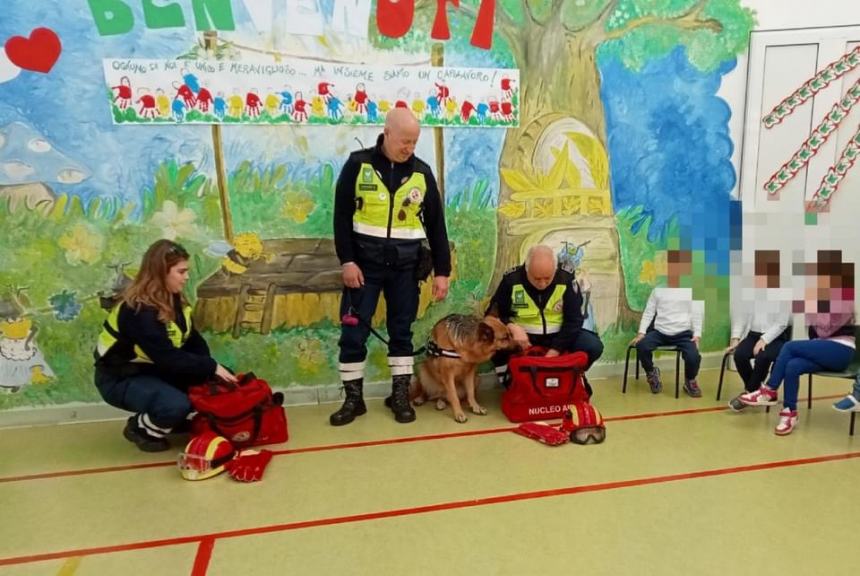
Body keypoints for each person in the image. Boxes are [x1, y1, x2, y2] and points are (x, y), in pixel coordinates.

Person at [331, 108, 451, 426]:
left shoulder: (422, 174)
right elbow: (341, 218)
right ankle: (353, 400)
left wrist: (442, 272)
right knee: (353, 334)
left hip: (404, 269)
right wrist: (347, 261)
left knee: (402, 333)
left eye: (414, 142)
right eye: (404, 141)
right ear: (387, 132)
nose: (408, 148)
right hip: (363, 269)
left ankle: (400, 396)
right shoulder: (358, 165)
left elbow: (438, 227)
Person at [93, 240, 237, 452]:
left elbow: (193, 340)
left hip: (152, 369)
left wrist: (210, 372)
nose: (186, 277)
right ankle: (140, 428)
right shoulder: (138, 310)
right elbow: (168, 357)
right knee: (176, 404)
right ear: (161, 273)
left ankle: (170, 419)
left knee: (216, 380)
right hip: (120, 378)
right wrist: (210, 367)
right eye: (181, 272)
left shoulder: (173, 299)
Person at [739, 250, 856, 435]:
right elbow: (814, 333)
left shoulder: (844, 297)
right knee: (793, 366)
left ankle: (769, 390)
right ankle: (789, 413)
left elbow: (827, 329)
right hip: (823, 349)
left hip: (842, 350)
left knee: (789, 346)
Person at [485, 245, 604, 392]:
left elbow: (574, 320)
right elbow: (491, 316)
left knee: (593, 346)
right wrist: (510, 326)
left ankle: (574, 375)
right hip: (524, 338)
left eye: (547, 278)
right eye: (536, 279)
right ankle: (510, 383)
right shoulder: (511, 280)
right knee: (493, 343)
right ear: (526, 269)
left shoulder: (566, 278)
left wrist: (556, 350)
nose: (542, 284)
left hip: (559, 335)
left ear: (555, 269)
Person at [630, 249, 704, 397]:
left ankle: (690, 380)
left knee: (693, 356)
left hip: (683, 334)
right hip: (660, 333)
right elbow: (649, 312)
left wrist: (697, 334)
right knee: (642, 346)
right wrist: (641, 333)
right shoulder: (658, 291)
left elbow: (697, 313)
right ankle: (652, 373)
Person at [725, 250, 791, 411]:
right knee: (740, 355)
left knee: (763, 356)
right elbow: (741, 317)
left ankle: (748, 393)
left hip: (777, 337)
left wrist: (764, 340)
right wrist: (735, 338)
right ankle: (755, 391)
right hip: (753, 334)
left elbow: (782, 323)